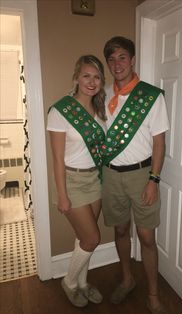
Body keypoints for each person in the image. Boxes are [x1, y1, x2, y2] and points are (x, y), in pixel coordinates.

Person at [101, 36, 170, 314]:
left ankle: (153, 295)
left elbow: (159, 142)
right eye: (111, 58)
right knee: (120, 229)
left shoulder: (150, 96)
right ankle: (127, 279)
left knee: (147, 238)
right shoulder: (102, 94)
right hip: (111, 175)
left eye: (122, 57)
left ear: (132, 59)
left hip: (142, 175)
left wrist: (154, 179)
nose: (117, 64)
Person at [47, 55, 106, 308]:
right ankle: (69, 282)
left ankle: (83, 283)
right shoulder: (61, 111)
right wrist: (62, 195)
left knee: (84, 238)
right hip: (72, 181)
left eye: (97, 77)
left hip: (95, 178)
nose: (91, 81)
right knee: (92, 238)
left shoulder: (100, 110)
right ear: (76, 78)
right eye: (86, 75)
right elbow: (57, 160)